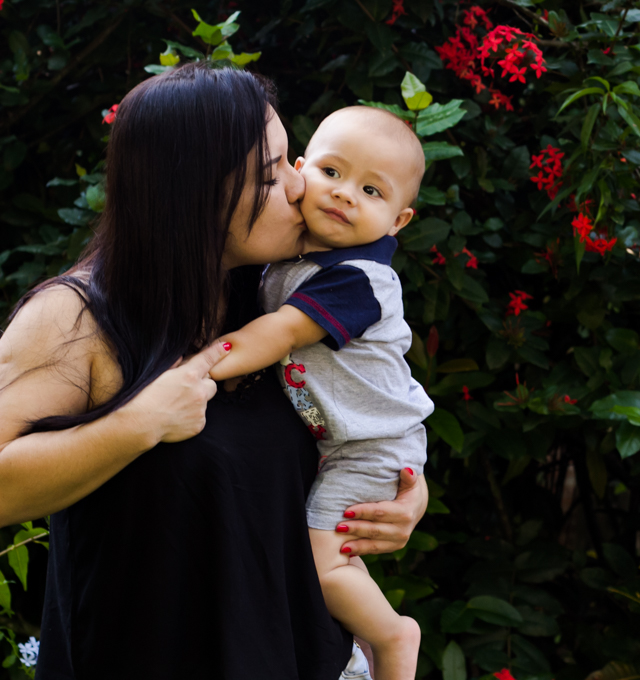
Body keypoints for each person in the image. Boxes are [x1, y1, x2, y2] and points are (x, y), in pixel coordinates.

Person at [0, 63, 428, 679]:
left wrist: (400, 496)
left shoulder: (276, 300)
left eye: (292, 161)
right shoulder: (77, 317)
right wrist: (137, 425)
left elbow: (376, 412)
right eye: (269, 173)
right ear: (193, 192)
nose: (298, 187)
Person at [208, 106, 432, 680]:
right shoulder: (294, 254)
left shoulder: (360, 278)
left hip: (372, 447)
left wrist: (202, 368)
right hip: (345, 442)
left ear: (398, 220)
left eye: (371, 190)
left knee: (321, 563)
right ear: (300, 170)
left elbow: (280, 332)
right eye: (332, 172)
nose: (344, 195)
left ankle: (390, 638)